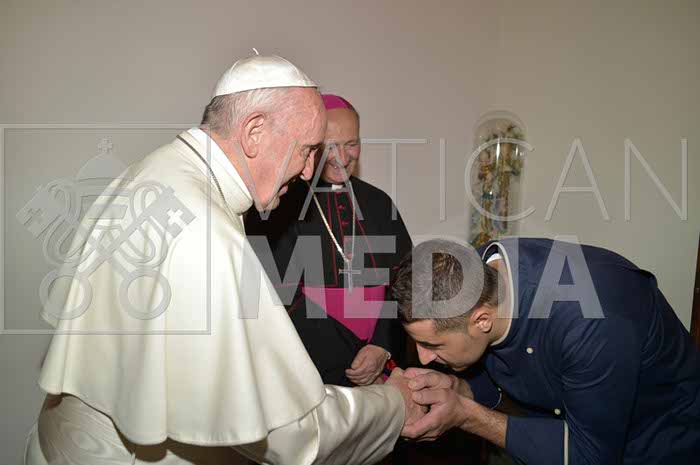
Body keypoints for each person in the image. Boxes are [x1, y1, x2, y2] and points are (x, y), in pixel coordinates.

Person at [24, 55, 423, 465]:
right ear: (254, 132)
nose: (308, 171)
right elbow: (291, 433)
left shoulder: (154, 172)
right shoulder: (206, 232)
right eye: (307, 150)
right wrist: (393, 404)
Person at [391, 237, 700, 464]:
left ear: (482, 320)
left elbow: (589, 457)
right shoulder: (480, 278)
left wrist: (466, 415)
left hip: (661, 440)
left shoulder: (590, 324)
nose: (423, 357)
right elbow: (505, 365)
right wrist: (462, 389)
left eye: (432, 344)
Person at [245, 94, 413, 387]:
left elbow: (407, 282)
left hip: (383, 361)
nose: (342, 157)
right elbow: (278, 296)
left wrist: (383, 346)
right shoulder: (279, 205)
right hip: (311, 364)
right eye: (330, 146)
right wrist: (350, 359)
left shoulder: (378, 202)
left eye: (352, 144)